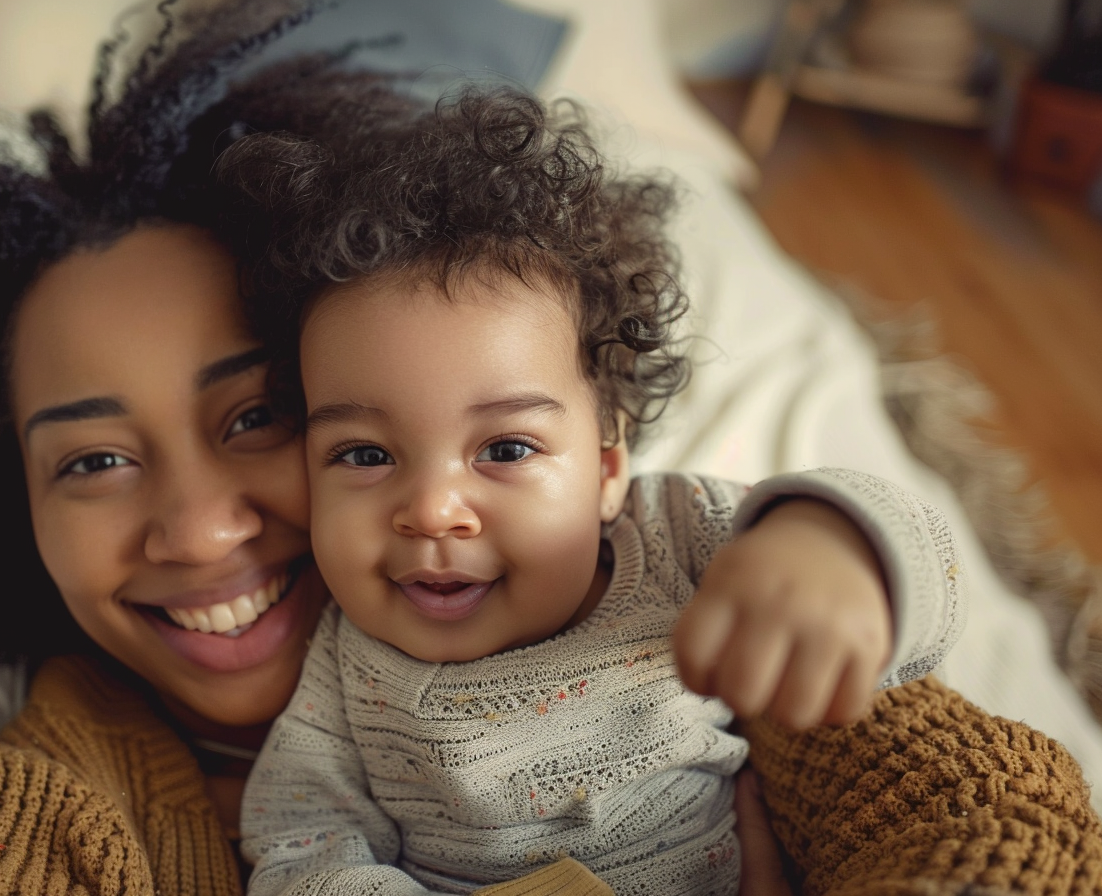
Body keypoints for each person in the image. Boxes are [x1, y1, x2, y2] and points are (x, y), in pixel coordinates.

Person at [0, 2, 1099, 895]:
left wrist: (835, 547)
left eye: (253, 418)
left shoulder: (682, 592)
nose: (199, 526)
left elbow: (972, 801)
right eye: (94, 461)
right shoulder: (67, 757)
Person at [224, 85, 965, 895]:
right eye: (364, 455)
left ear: (609, 471)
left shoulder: (680, 539)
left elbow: (926, 586)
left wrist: (831, 545)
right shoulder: (347, 670)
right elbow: (302, 848)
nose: (432, 509)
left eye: (504, 448)